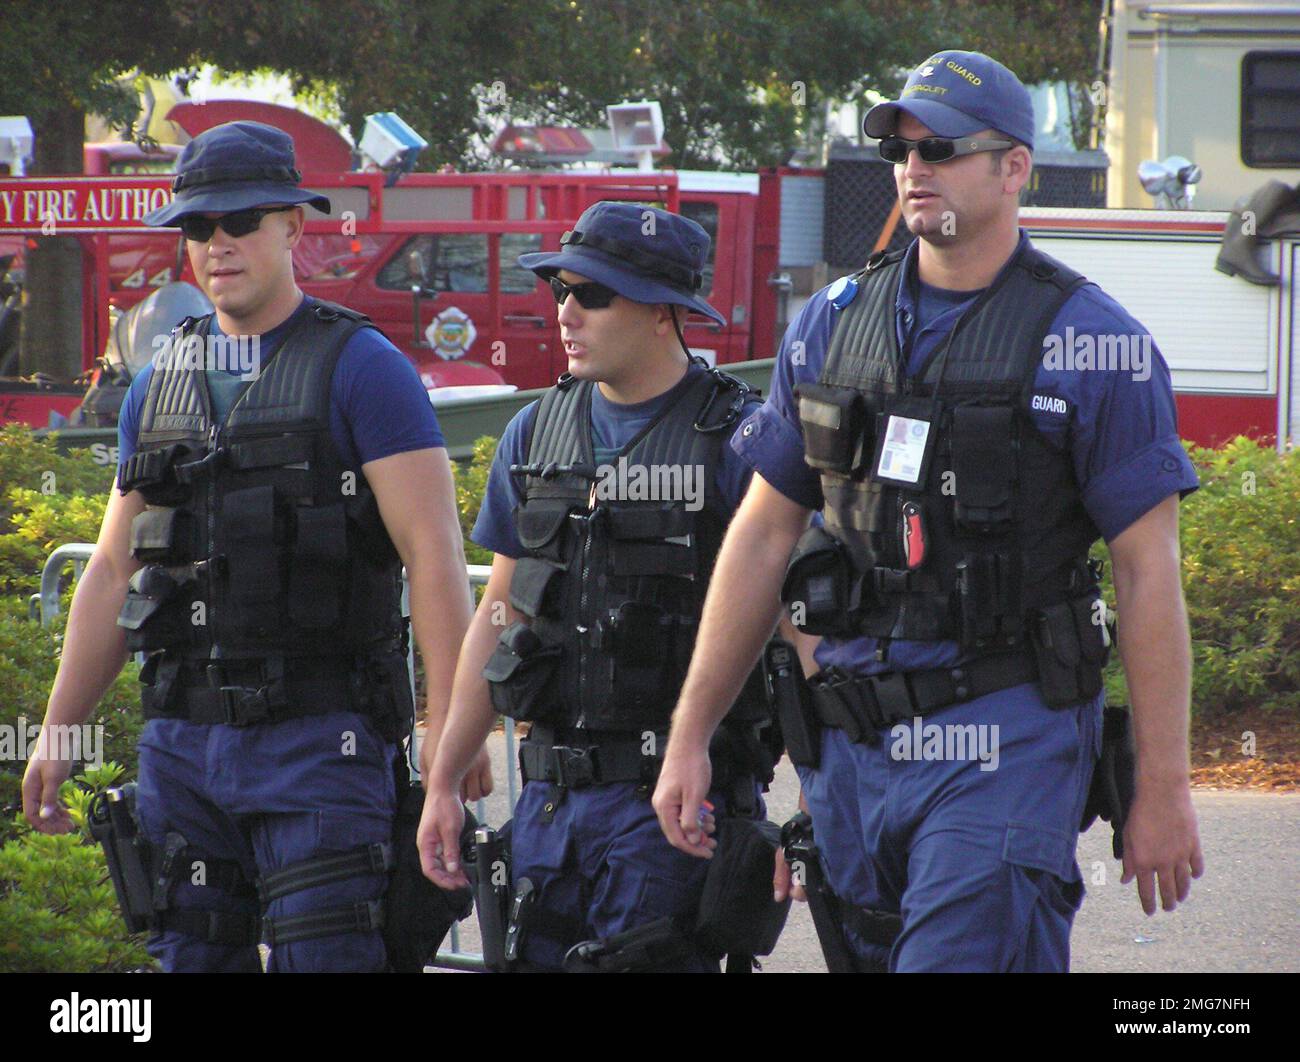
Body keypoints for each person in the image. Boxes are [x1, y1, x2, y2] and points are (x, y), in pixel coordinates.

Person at [654, 50, 1206, 972]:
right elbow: (760, 533)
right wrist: (690, 737)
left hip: (1004, 747)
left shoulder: (1095, 343)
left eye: (941, 147)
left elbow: (1150, 574)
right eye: (901, 148)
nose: (914, 166)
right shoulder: (832, 324)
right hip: (850, 760)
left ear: (1014, 167)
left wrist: (1164, 788)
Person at [21, 121, 483, 972]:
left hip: (320, 747)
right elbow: (116, 568)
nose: (218, 244)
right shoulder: (158, 383)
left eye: (241, 221)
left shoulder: (363, 367)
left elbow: (434, 557)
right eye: (199, 226)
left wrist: (446, 745)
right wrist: (59, 729)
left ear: (294, 226)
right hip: (180, 752)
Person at [418, 201, 780, 972]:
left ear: (662, 312)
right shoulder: (535, 430)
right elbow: (501, 611)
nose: (567, 313)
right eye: (560, 291)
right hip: (549, 808)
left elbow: (798, 628)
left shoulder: (737, 439)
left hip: (674, 808)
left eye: (594, 295)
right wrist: (444, 779)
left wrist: (824, 803)